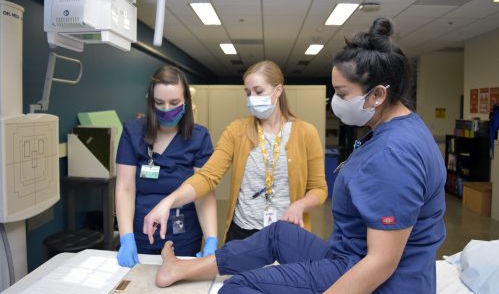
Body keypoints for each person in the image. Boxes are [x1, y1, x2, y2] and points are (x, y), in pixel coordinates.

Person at [151, 18, 447, 294]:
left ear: (378, 95)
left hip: (376, 278)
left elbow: (381, 263)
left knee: (238, 288)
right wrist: (169, 201)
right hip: (348, 254)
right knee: (279, 233)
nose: (337, 102)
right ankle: (181, 267)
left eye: (343, 94)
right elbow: (209, 174)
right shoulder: (399, 130)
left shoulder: (393, 155)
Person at [144, 60, 328, 245]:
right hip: (243, 234)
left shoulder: (306, 132)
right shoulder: (237, 130)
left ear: (278, 90)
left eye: (258, 91)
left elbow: (319, 188)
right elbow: (207, 177)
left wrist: (300, 205)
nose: (252, 98)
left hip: (288, 232)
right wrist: (169, 202)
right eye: (248, 93)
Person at [115, 66, 218, 267]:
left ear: (186, 100)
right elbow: (125, 188)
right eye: (159, 103)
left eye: (174, 103)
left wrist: (211, 239)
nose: (167, 109)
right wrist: (126, 237)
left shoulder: (199, 137)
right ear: (151, 102)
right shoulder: (132, 132)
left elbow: (204, 192)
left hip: (184, 236)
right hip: (142, 234)